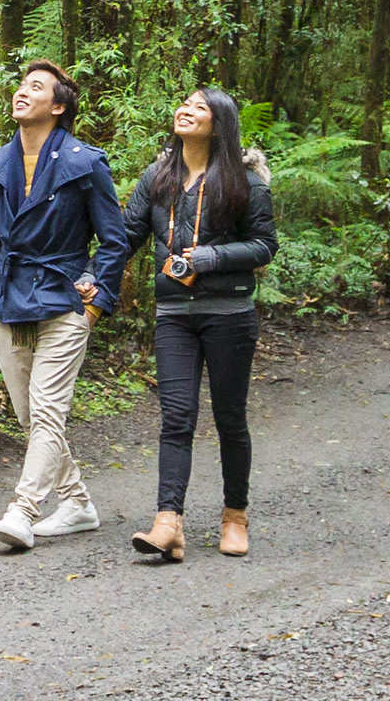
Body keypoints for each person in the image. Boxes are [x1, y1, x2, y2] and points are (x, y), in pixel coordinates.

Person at [95, 85, 275, 563]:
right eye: (185, 103)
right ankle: (168, 523)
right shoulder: (158, 176)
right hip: (174, 315)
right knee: (176, 417)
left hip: (229, 315)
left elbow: (263, 246)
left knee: (230, 418)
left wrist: (211, 257)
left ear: (219, 123)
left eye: (200, 107)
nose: (187, 110)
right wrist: (94, 274)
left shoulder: (246, 182)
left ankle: (235, 515)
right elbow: (126, 235)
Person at [0, 58, 119, 552]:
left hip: (62, 299)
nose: (22, 92)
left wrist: (96, 297)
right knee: (28, 415)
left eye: (36, 87)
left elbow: (113, 241)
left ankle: (23, 509)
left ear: (57, 106)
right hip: (7, 300)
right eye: (20, 85)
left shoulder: (84, 162)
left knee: (48, 410)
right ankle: (77, 502)